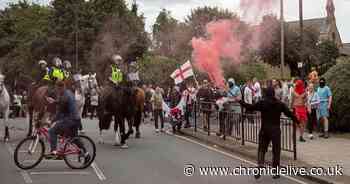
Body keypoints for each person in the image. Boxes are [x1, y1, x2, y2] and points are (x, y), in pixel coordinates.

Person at [240, 87, 299, 179]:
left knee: (262, 149)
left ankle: (260, 166)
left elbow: (250, 107)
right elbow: (289, 113)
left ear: (266, 94)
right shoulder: (280, 104)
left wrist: (240, 101)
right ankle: (275, 172)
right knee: (276, 151)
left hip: (264, 129)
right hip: (275, 130)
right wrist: (297, 121)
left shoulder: (262, 103)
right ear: (273, 93)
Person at [47, 81, 85, 159]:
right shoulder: (68, 93)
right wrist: (54, 101)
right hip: (76, 120)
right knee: (74, 138)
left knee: (52, 131)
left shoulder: (64, 96)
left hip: (70, 120)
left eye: (57, 89)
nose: (57, 91)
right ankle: (86, 154)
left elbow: (60, 112)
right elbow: (62, 103)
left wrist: (51, 121)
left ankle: (53, 152)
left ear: (60, 88)